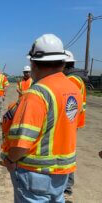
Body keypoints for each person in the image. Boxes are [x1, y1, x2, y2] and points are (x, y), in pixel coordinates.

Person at [1, 34, 83, 202]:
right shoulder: (74, 89)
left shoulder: (37, 93)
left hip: (35, 173)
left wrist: (10, 159)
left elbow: (22, 142)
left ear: (34, 63)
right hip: (62, 173)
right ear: (62, 61)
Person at [63, 50, 87, 197]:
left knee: (65, 153)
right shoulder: (76, 79)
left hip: (69, 122)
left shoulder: (71, 80)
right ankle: (66, 186)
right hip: (73, 121)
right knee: (68, 151)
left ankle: (66, 187)